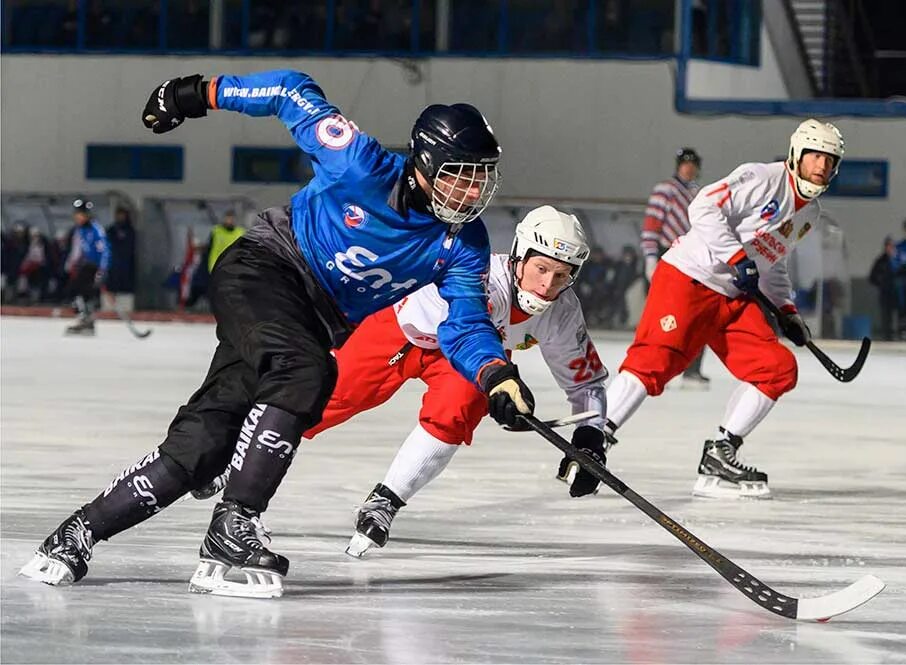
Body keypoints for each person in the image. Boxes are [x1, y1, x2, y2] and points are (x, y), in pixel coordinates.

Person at [20, 69, 535, 599]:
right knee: (308, 371)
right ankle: (233, 528)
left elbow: (468, 321)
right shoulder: (358, 162)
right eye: (461, 175)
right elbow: (292, 92)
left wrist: (497, 375)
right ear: (423, 164)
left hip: (305, 319)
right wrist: (194, 93)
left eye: (482, 177)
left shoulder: (463, 243)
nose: (473, 190)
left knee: (204, 446)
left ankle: (72, 537)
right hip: (264, 269)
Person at [296, 206, 607, 558]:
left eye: (561, 275)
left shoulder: (562, 311)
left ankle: (386, 500)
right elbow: (463, 332)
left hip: (469, 357)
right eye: (541, 268)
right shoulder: (483, 277)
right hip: (409, 332)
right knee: (324, 400)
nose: (547, 285)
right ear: (519, 256)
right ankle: (243, 459)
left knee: (458, 409)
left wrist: (591, 437)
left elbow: (586, 383)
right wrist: (498, 378)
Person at [602, 119, 845, 500]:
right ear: (797, 153)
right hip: (689, 277)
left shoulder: (810, 213)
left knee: (777, 368)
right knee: (654, 362)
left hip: (733, 297)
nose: (822, 167)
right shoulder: (761, 177)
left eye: (830, 160)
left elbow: (773, 260)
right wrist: (735, 256)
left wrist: (785, 308)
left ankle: (720, 454)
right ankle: (595, 439)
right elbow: (704, 207)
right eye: (816, 156)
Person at [641, 147, 710, 388]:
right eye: (684, 163)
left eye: (692, 164)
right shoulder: (666, 190)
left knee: (696, 316)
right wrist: (650, 257)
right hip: (667, 256)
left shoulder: (699, 194)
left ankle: (691, 370)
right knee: (662, 316)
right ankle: (655, 366)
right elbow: (652, 224)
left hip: (693, 259)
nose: (688, 168)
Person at [64, 198, 111, 336]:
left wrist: (102, 270)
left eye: (80, 214)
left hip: (95, 266)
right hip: (86, 265)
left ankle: (86, 320)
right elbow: (78, 249)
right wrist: (71, 264)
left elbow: (105, 251)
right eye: (76, 214)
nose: (77, 217)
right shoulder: (80, 230)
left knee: (78, 291)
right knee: (79, 293)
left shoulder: (96, 229)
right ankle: (86, 320)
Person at [103, 207, 137, 313]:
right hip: (112, 266)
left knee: (125, 292)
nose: (120, 217)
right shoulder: (111, 230)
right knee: (110, 289)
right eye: (119, 215)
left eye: (122, 215)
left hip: (126, 267)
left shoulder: (130, 231)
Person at [868, 236, 897, 341]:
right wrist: (881, 283)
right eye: (888, 246)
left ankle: (897, 334)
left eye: (891, 246)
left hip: (897, 293)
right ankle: (887, 336)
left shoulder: (897, 260)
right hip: (885, 293)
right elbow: (872, 277)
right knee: (886, 316)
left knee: (899, 316)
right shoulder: (880, 261)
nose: (890, 248)